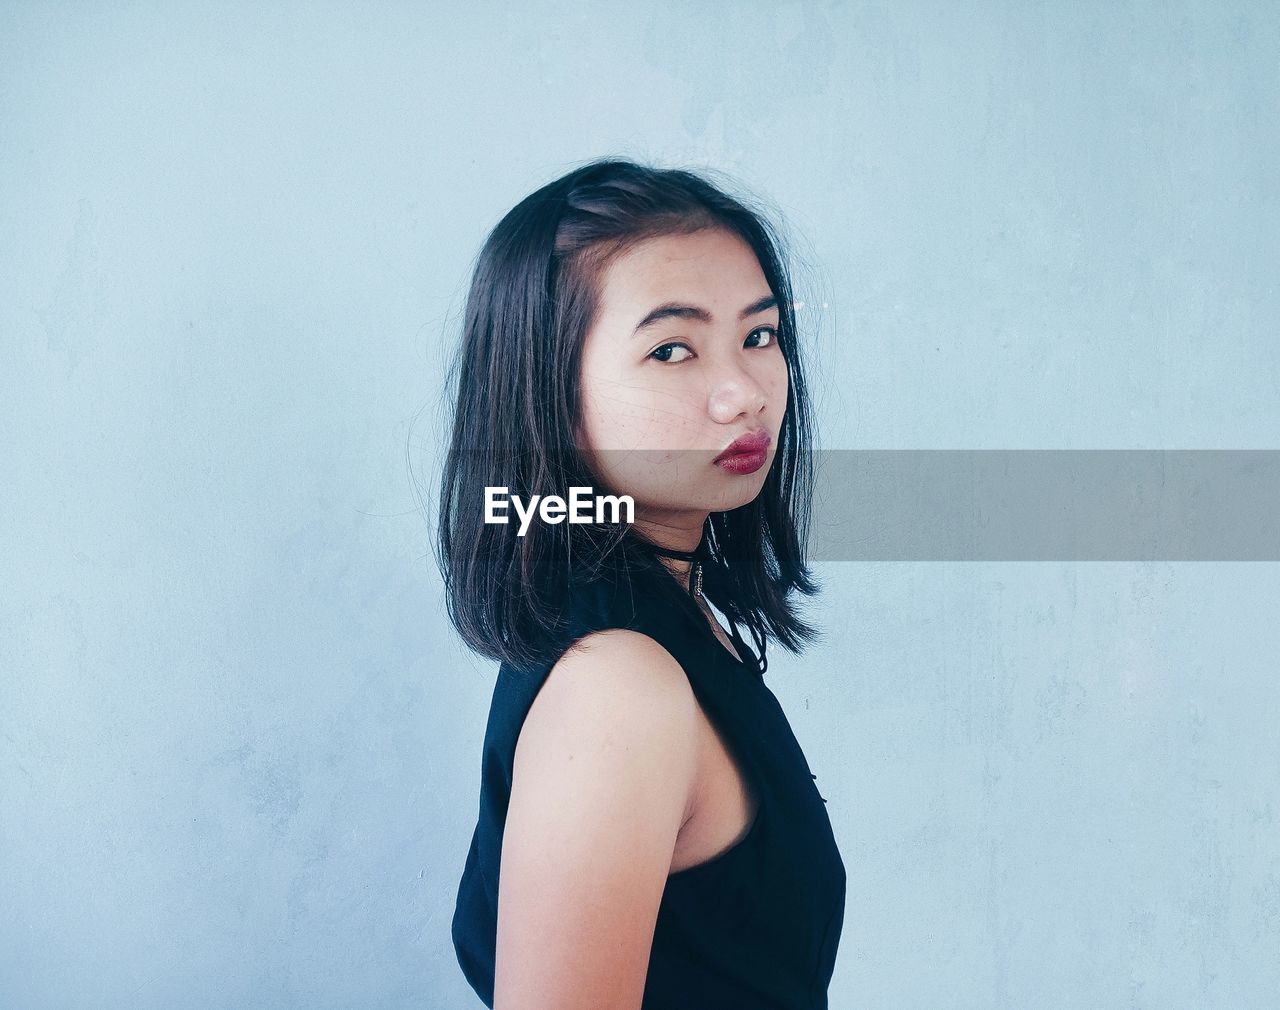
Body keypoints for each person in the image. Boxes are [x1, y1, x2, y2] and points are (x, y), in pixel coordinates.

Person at [438, 157, 845, 1009]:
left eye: (760, 335)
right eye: (672, 349)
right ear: (549, 392)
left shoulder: (668, 621)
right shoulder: (620, 687)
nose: (743, 393)